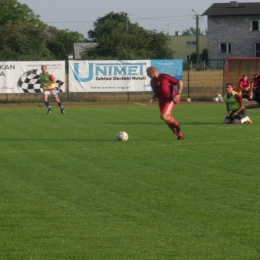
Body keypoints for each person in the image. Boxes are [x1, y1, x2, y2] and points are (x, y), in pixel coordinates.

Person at [147, 66, 184, 140]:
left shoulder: (165, 77)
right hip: (162, 102)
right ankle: (180, 135)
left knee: (163, 116)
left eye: (148, 74)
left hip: (170, 99)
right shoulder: (152, 82)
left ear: (153, 72)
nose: (147, 75)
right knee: (167, 120)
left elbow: (180, 82)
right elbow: (156, 93)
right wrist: (152, 98)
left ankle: (178, 124)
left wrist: (178, 93)